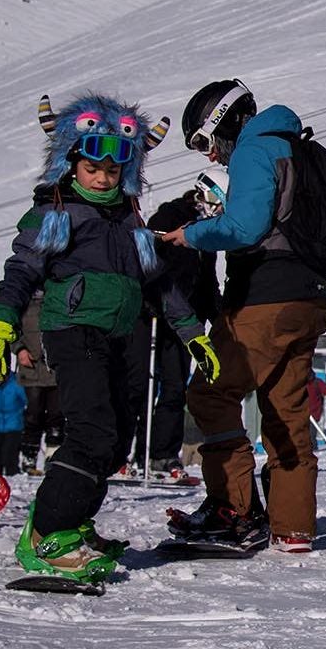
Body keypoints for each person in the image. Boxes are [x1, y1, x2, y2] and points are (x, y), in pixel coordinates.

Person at [0, 92, 215, 585]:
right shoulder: (58, 213)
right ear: (73, 164)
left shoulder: (129, 221)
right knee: (91, 431)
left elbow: (160, 284)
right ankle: (46, 533)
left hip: (118, 335)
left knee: (119, 437)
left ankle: (76, 522)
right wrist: (1, 325)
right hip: (73, 330)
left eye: (112, 170)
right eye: (92, 168)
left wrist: (193, 335)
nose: (102, 178)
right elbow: (21, 273)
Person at [159, 79, 326, 553]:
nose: (210, 155)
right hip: (311, 297)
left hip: (265, 298)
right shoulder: (305, 151)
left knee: (210, 392)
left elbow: (245, 226)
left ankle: (232, 511)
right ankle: (293, 527)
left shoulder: (254, 151)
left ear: (224, 121)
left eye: (204, 141)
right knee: (286, 408)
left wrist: (191, 235)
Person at [136, 186, 217, 480]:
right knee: (142, 385)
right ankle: (135, 452)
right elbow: (146, 259)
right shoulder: (171, 215)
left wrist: (216, 316)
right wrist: (149, 298)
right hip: (153, 313)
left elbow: (208, 280)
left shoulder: (208, 235)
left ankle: (163, 453)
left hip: (186, 319)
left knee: (173, 388)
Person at [15, 294, 61, 476]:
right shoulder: (24, 303)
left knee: (57, 415)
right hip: (32, 369)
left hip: (55, 370)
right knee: (33, 414)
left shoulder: (58, 300)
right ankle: (29, 457)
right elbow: (13, 331)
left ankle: (53, 457)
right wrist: (19, 350)